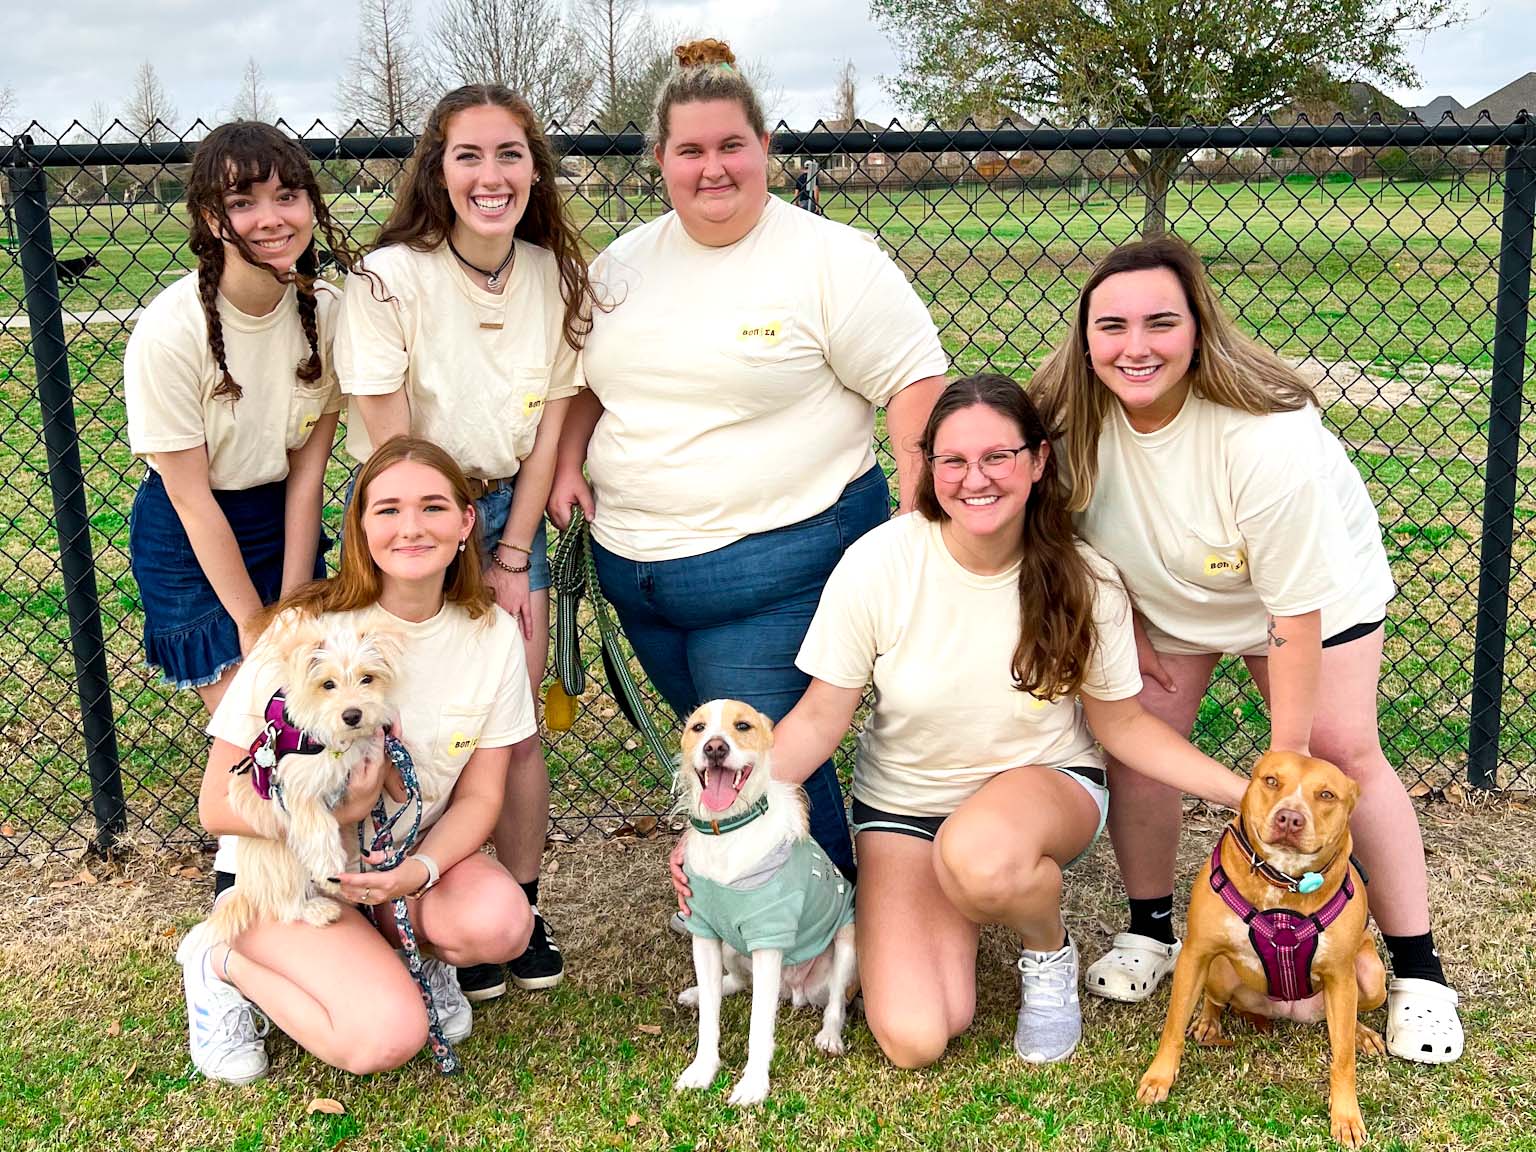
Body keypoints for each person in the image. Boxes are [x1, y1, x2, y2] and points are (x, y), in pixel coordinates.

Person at [670, 375, 1248, 1068]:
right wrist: (716, 821)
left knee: (980, 856)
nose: (976, 479)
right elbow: (821, 719)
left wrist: (1246, 794)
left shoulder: (1083, 577)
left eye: (998, 457)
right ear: (929, 467)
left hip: (1043, 786)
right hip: (906, 806)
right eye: (954, 461)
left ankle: (1046, 949)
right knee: (916, 1036)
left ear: (1038, 460)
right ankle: (965, 903)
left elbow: (1123, 727)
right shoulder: (880, 562)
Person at [1030, 234, 1463, 1064]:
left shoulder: (1267, 435)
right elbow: (1057, 534)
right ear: (1084, 338)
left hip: (1304, 591)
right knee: (1145, 743)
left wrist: (1286, 776)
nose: (1135, 346)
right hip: (1170, 585)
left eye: (1161, 322)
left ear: (1198, 328)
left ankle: (1419, 972)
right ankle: (1151, 929)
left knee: (1340, 753)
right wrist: (1124, 626)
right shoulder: (1067, 420)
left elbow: (1293, 610)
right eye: (1112, 325)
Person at [548, 38, 948, 887]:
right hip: (637, 576)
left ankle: (830, 908)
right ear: (660, 159)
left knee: (768, 757)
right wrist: (569, 462)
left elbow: (914, 381)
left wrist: (919, 517)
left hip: (777, 564)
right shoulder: (623, 263)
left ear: (765, 146)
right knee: (725, 758)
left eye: (732, 145)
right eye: (690, 150)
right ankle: (760, 896)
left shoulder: (830, 259)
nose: (713, 167)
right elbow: (591, 381)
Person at [336, 84, 596, 998]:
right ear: (437, 173)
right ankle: (389, 902)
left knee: (511, 727)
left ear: (536, 170)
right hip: (408, 520)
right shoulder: (386, 280)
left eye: (510, 155)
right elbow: (397, 457)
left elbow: (551, 430)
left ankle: (514, 908)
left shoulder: (555, 278)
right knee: (390, 719)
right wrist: (439, 541)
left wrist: (513, 556)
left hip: (503, 517)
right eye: (469, 156)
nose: (492, 176)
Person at [173, 436, 538, 1084]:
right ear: (361, 529)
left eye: (432, 507)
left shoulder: (493, 636)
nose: (411, 527)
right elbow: (215, 806)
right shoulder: (305, 633)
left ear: (466, 523)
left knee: (500, 922)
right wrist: (344, 811)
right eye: (388, 510)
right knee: (384, 1038)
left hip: (396, 862)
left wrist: (418, 873)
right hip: (289, 875)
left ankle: (405, 955)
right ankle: (220, 962)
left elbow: (483, 797)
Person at [125, 120, 355, 718]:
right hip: (192, 532)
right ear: (211, 218)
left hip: (283, 519)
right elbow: (190, 496)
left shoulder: (328, 313)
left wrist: (292, 606)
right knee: (255, 723)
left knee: (310, 716)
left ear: (310, 205)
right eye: (242, 202)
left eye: (287, 196)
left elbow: (307, 477)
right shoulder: (171, 330)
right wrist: (254, 623)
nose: (271, 219)